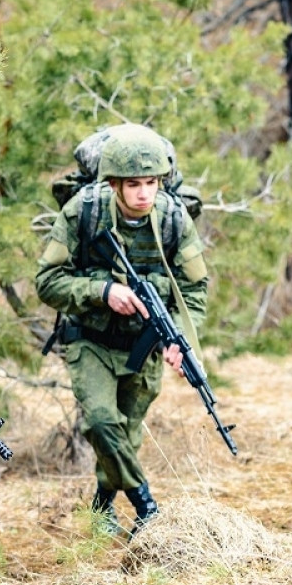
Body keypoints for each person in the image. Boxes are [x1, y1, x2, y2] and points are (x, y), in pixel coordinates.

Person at [35, 123, 209, 536]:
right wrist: (102, 290)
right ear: (114, 184)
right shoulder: (83, 211)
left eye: (152, 183)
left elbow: (194, 289)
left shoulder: (173, 218)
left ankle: (102, 507)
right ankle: (147, 508)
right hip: (90, 340)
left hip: (143, 346)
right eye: (134, 184)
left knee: (125, 437)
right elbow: (47, 281)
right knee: (99, 423)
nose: (145, 193)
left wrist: (181, 341)